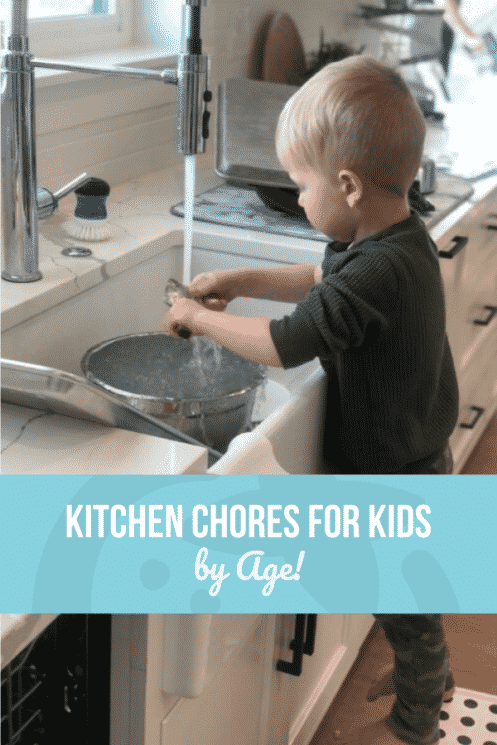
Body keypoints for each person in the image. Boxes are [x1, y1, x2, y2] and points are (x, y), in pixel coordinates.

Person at [164, 54, 459, 476]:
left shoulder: (376, 272)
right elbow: (316, 279)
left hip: (391, 476)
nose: (298, 199)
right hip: (419, 453)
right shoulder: (400, 240)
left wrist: (196, 316)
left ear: (349, 187)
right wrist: (239, 281)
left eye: (301, 186)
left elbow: (285, 343)